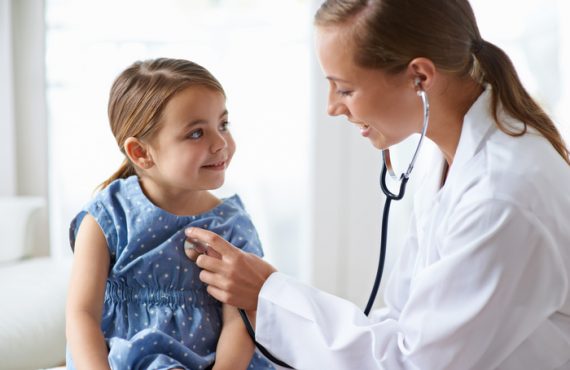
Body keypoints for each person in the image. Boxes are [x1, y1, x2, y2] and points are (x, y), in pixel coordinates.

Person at [184, 0, 570, 369]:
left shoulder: (501, 196)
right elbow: (405, 324)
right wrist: (270, 299)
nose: (332, 107)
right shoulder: (446, 158)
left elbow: (413, 362)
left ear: (420, 77)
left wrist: (268, 293)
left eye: (345, 89)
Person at [65, 58, 274, 370]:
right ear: (141, 152)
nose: (220, 143)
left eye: (223, 125)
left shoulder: (230, 225)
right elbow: (81, 313)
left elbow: (241, 319)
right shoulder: (107, 217)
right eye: (196, 134)